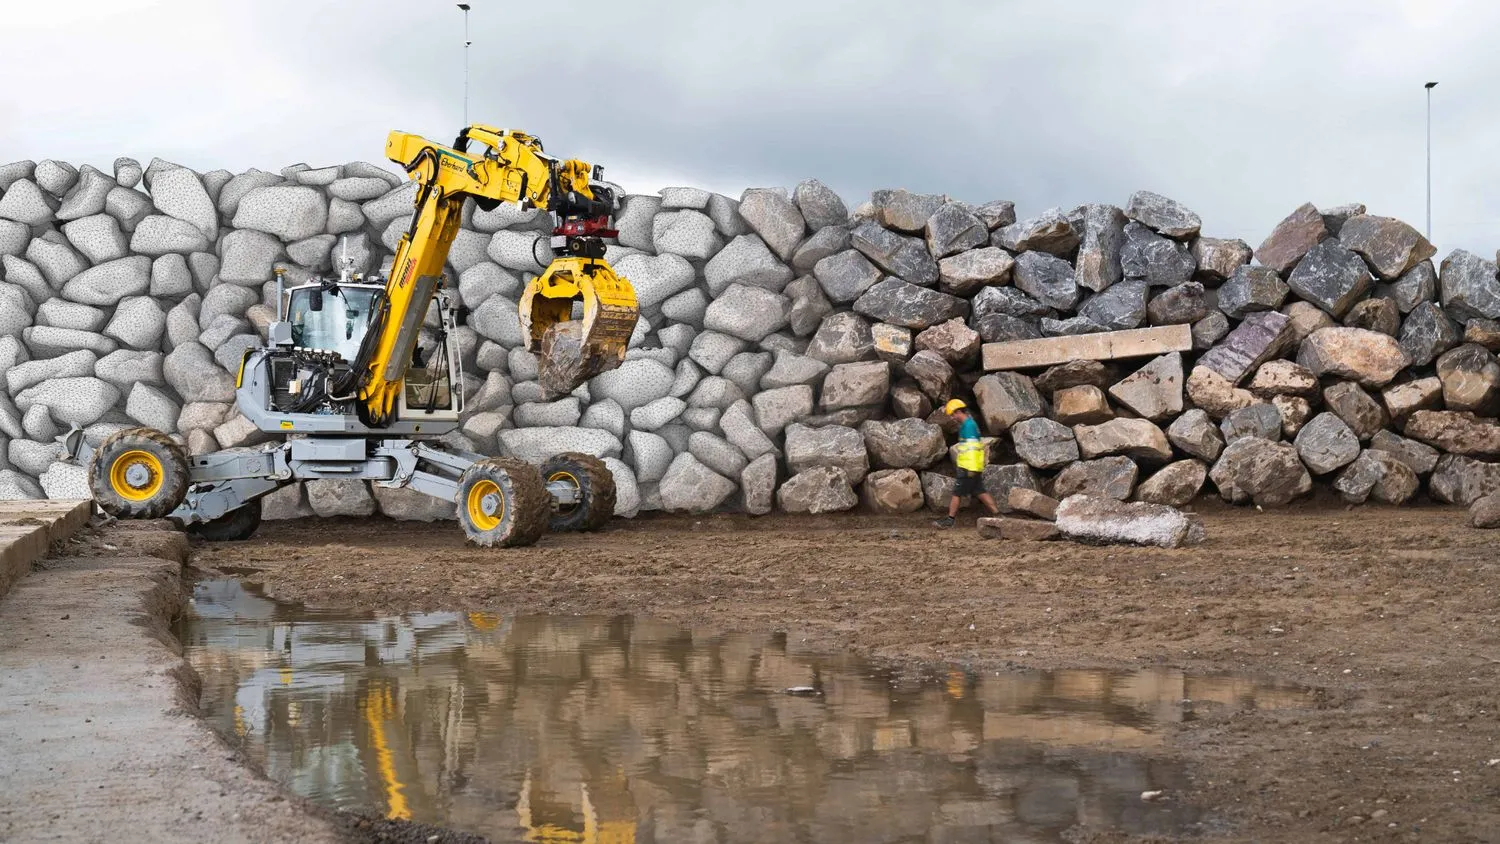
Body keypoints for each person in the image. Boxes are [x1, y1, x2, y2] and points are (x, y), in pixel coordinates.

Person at [933, 398, 1000, 528]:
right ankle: (998, 515)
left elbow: (973, 449)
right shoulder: (968, 425)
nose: (952, 417)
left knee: (957, 493)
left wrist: (971, 469)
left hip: (968, 467)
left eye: (953, 414)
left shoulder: (968, 426)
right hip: (972, 467)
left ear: (958, 412)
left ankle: (950, 520)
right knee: (980, 491)